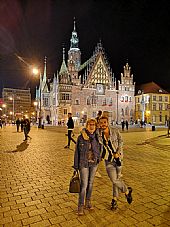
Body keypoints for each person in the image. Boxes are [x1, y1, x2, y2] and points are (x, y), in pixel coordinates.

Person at [99, 116, 132, 210]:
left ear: (107, 122)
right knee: (114, 180)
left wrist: (118, 152)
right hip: (108, 161)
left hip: (118, 159)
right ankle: (127, 191)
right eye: (101, 123)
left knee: (116, 180)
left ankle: (114, 200)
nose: (103, 124)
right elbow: (88, 130)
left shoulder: (115, 130)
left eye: (104, 122)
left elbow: (121, 141)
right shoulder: (99, 134)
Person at [73, 118, 101, 215]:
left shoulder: (97, 136)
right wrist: (76, 167)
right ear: (87, 125)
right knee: (84, 185)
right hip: (83, 163)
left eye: (93, 124)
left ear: (95, 126)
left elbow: (100, 148)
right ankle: (80, 205)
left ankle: (88, 202)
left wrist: (98, 159)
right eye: (90, 124)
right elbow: (77, 152)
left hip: (93, 163)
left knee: (90, 184)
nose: (92, 126)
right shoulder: (81, 137)